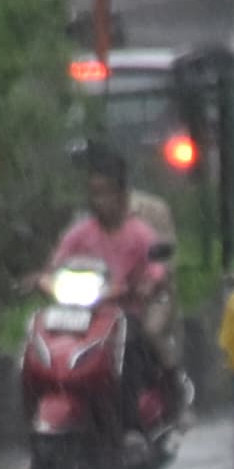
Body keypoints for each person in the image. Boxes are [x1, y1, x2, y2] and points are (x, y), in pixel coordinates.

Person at [39, 143, 182, 419]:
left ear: (121, 196)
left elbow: (156, 267)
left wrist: (146, 285)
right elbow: (57, 262)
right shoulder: (80, 233)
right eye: (94, 195)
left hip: (124, 313)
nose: (100, 201)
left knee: (126, 351)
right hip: (85, 314)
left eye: (106, 194)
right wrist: (45, 279)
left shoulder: (139, 233)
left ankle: (132, 417)